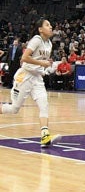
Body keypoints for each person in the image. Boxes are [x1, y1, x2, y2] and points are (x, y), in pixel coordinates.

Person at [1, 19, 55, 147]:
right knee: (14, 109)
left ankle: (44, 135)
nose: (51, 27)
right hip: (25, 76)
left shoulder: (49, 44)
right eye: (47, 25)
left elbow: (40, 60)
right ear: (40, 29)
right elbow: (24, 58)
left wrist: (47, 65)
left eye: (50, 25)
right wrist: (42, 63)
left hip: (37, 78)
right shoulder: (37, 39)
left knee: (44, 105)